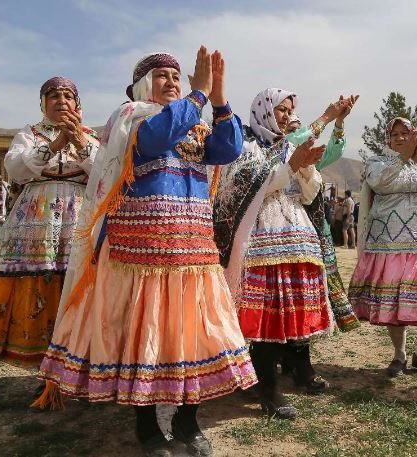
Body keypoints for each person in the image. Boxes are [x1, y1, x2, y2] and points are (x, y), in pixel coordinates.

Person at [37, 50, 255, 457]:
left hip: (192, 254)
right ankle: (148, 428)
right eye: (161, 75)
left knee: (190, 338)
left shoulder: (194, 124)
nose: (172, 81)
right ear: (141, 84)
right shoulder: (132, 118)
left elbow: (229, 149)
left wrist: (219, 97)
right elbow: (157, 138)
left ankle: (189, 423)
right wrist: (199, 95)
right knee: (143, 340)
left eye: (176, 75)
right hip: (140, 258)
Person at [0, 77, 99, 368]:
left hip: (78, 218)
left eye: (67, 96)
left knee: (75, 281)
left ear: (77, 104)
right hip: (36, 220)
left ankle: (76, 362)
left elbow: (103, 172)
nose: (61, 101)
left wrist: (79, 142)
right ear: (42, 103)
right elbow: (16, 168)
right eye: (53, 96)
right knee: (38, 282)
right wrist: (57, 143)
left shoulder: (91, 137)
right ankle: (42, 362)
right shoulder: (30, 134)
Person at [214, 88, 333, 420]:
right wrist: (289, 166)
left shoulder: (292, 146)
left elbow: (309, 195)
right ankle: (269, 390)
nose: (285, 116)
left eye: (289, 110)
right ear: (264, 110)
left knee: (290, 313)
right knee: (267, 316)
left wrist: (306, 168)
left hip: (297, 238)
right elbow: (245, 187)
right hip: (261, 239)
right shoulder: (247, 147)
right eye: (280, 110)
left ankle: (285, 372)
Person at [348, 117, 417, 378]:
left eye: (404, 133)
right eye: (394, 134)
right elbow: (379, 183)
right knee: (394, 301)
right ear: (388, 138)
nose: (399, 138)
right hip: (388, 245)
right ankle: (399, 354)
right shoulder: (378, 163)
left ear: (413, 136)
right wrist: (401, 159)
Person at [280, 96, 361, 391]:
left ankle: (298, 360)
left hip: (309, 231)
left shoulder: (310, 160)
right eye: (286, 117)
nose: (303, 132)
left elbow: (335, 150)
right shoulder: (272, 148)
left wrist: (339, 122)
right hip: (272, 233)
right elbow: (295, 139)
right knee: (278, 296)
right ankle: (275, 357)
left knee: (303, 296)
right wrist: (325, 117)